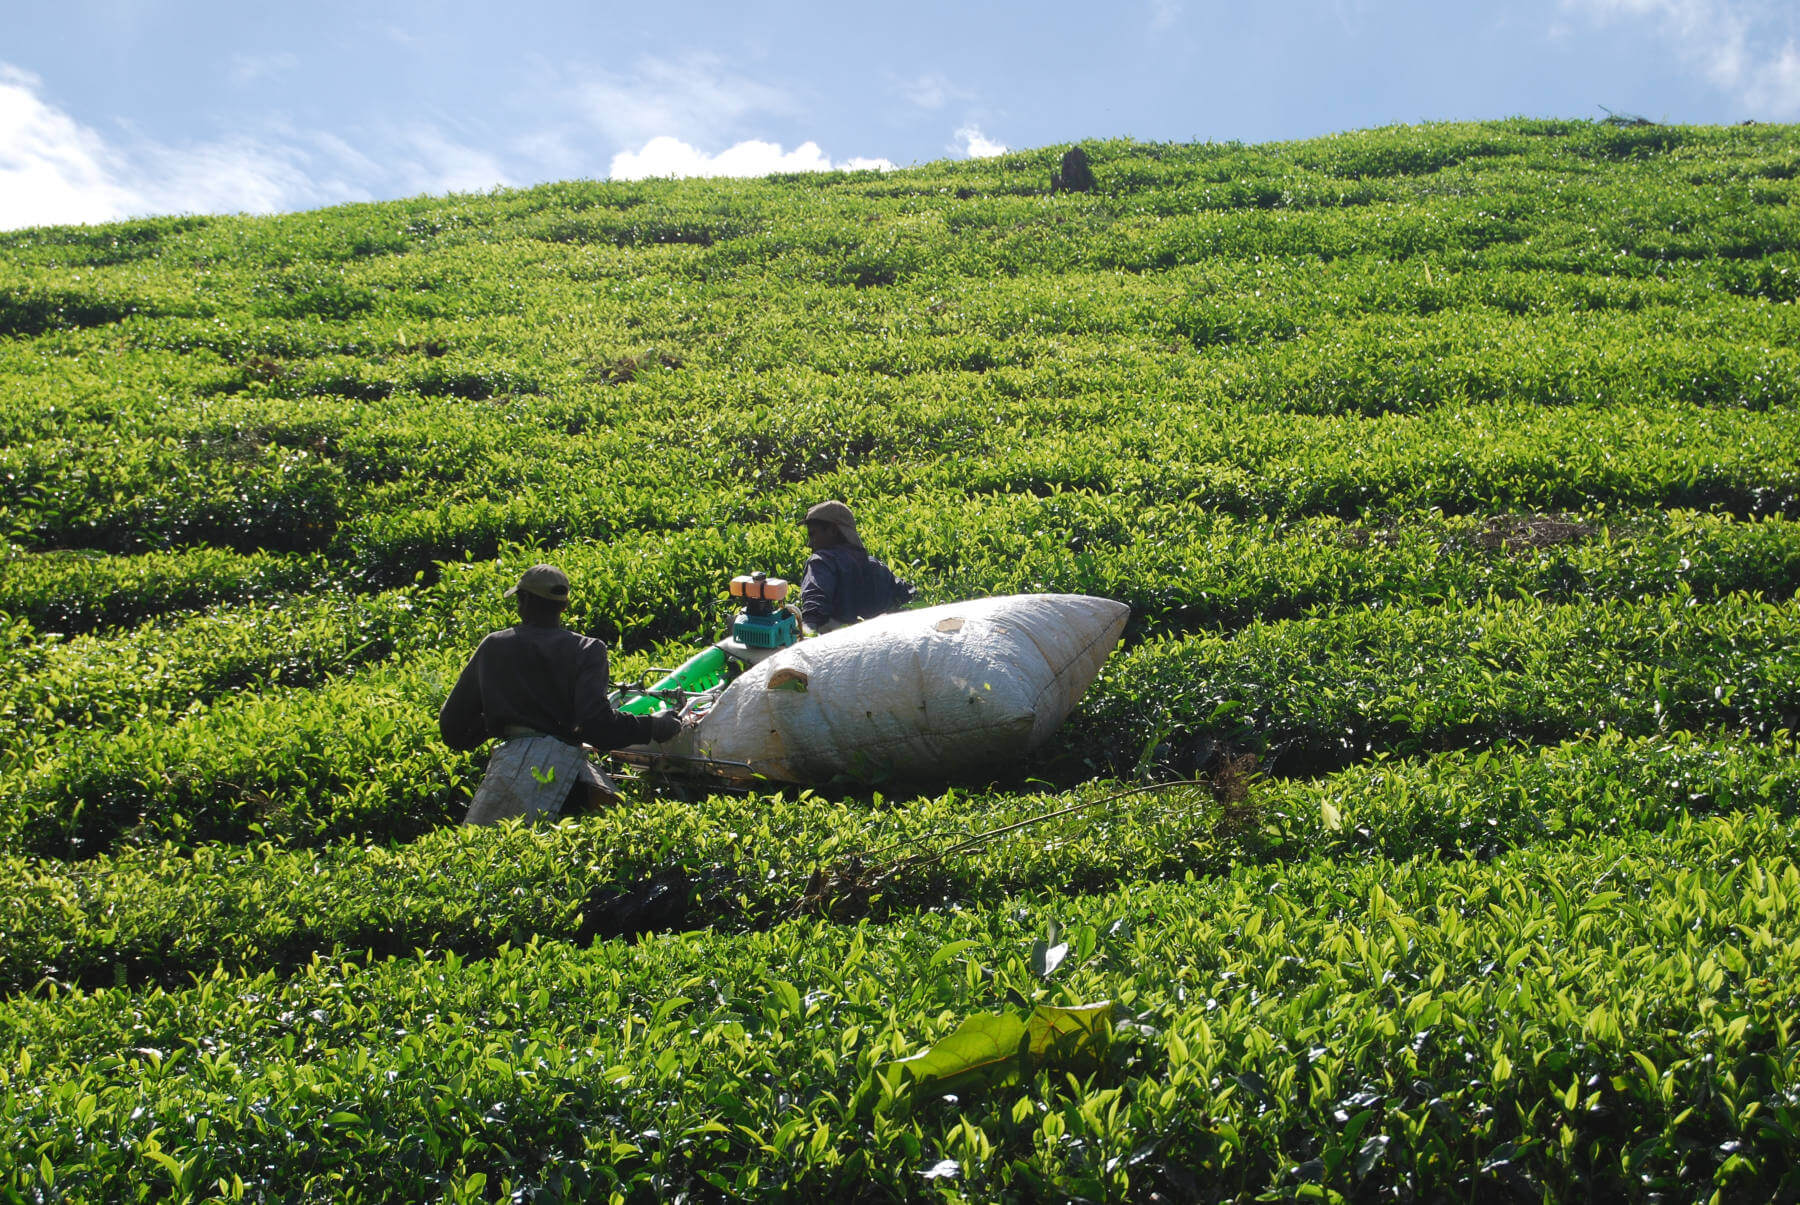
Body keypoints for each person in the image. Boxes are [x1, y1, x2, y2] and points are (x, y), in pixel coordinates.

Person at [439, 563, 684, 825]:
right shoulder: (587, 649)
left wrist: (499, 724)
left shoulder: (495, 645)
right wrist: (655, 726)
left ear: (523, 601)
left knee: (490, 847)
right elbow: (596, 725)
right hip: (567, 769)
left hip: (509, 768)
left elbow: (453, 727)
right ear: (564, 607)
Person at [797, 501, 914, 634]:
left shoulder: (821, 561)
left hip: (837, 646)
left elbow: (814, 606)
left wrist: (806, 631)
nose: (809, 543)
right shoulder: (875, 566)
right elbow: (908, 594)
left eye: (813, 534)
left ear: (832, 531)